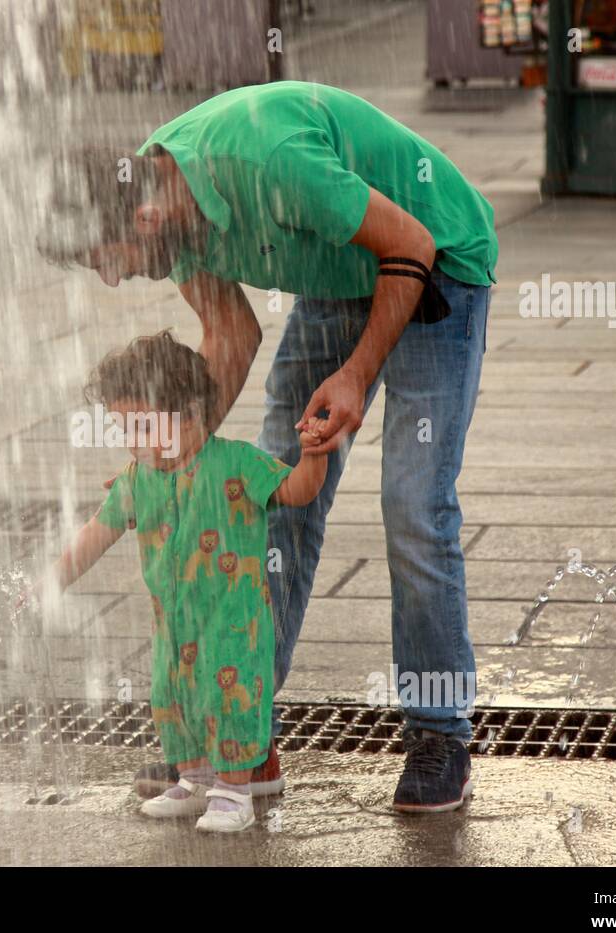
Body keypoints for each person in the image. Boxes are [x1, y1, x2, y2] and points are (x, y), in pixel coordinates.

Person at [38, 80, 496, 813]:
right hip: (339, 276)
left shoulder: (265, 159)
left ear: (145, 218)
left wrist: (355, 374)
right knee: (262, 500)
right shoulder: (170, 214)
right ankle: (240, 734)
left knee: (413, 509)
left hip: (435, 264)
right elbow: (230, 338)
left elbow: (408, 243)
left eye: (109, 257)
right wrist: (178, 466)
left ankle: (439, 733)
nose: (114, 276)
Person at [31, 331, 327, 832]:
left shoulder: (235, 463)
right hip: (174, 623)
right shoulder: (136, 479)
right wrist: (54, 578)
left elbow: (298, 492)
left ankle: (234, 791)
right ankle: (195, 780)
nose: (134, 441)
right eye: (125, 429)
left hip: (233, 623)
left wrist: (314, 453)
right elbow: (97, 532)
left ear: (190, 412)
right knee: (172, 698)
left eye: (145, 427)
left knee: (227, 699)